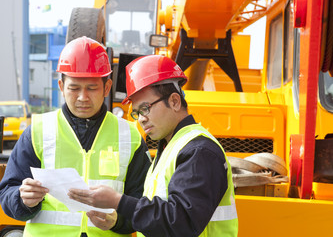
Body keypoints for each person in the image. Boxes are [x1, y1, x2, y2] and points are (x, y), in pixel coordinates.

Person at [68, 55, 238, 236]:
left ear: (174, 101)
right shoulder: (169, 149)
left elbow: (181, 222)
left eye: (145, 108)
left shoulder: (199, 151)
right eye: (136, 113)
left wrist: (119, 202)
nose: (141, 119)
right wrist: (117, 220)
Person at [0, 36, 150, 237]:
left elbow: (145, 203)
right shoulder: (37, 131)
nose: (82, 97)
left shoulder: (130, 136)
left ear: (106, 88)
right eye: (74, 88)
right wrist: (23, 200)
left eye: (92, 88)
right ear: (62, 87)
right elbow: (8, 192)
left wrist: (118, 220)